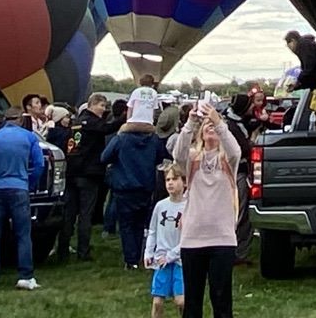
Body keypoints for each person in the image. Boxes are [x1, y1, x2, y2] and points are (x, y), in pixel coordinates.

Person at [175, 98, 243, 318]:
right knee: (192, 301)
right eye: (207, 127)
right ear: (201, 134)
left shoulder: (228, 161)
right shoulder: (193, 159)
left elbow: (235, 149)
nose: (210, 128)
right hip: (193, 238)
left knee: (221, 299)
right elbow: (178, 155)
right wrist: (191, 122)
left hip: (222, 238)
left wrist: (218, 121)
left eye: (213, 127)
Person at [0, 104, 46, 291]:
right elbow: (39, 164)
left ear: (5, 119)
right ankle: (25, 276)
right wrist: (30, 183)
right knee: (23, 234)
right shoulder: (29, 137)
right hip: (19, 188)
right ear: (20, 119)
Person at [103, 111, 165, 269]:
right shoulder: (154, 140)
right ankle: (138, 255)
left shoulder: (121, 139)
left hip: (124, 186)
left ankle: (130, 260)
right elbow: (161, 157)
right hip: (145, 186)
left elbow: (104, 157)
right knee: (139, 224)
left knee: (126, 225)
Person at [65, 91, 111, 261]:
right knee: (85, 214)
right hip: (88, 173)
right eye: (102, 106)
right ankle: (83, 251)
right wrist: (124, 119)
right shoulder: (92, 122)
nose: (103, 110)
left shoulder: (75, 122)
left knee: (69, 213)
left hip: (72, 172)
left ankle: (63, 248)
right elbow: (107, 129)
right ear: (93, 104)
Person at [146, 163, 188, 316]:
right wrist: (148, 253)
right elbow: (152, 231)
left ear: (184, 182)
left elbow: (188, 238)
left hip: (180, 261)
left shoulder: (188, 207)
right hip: (161, 260)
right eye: (167, 179)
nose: (170, 183)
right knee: (157, 302)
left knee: (181, 301)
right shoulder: (160, 206)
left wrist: (171, 256)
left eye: (175, 179)